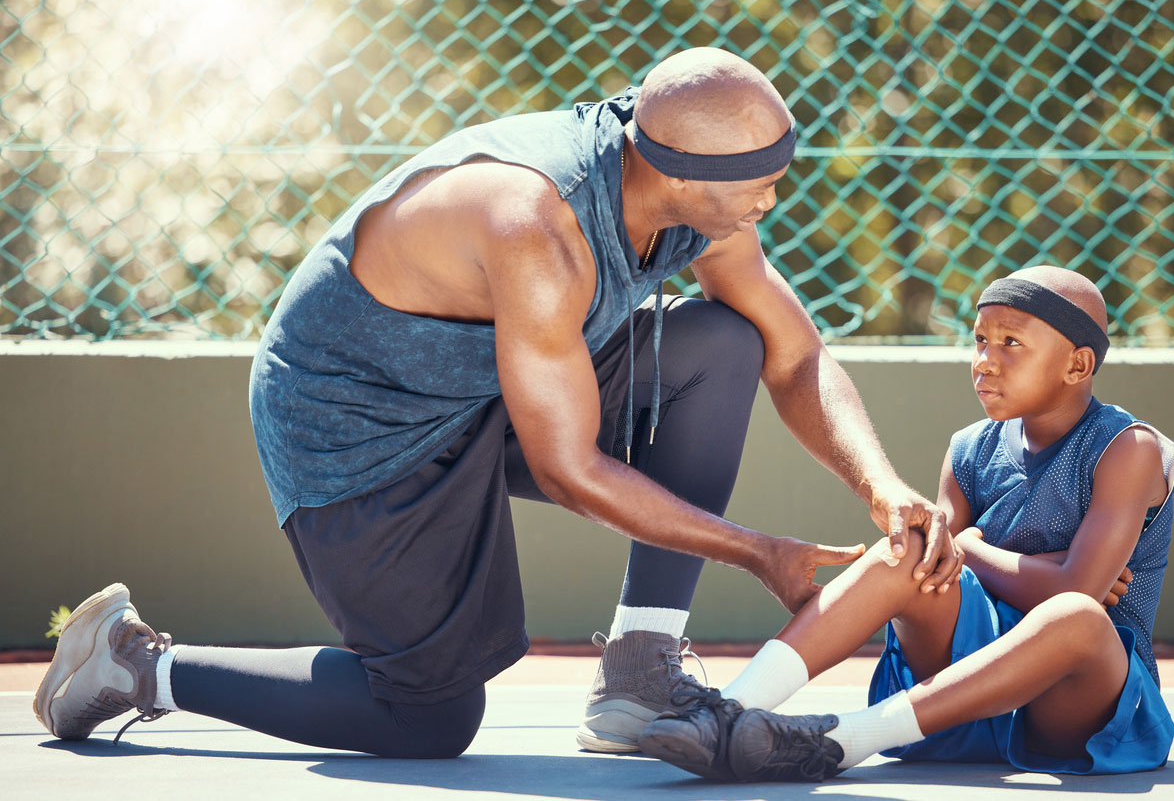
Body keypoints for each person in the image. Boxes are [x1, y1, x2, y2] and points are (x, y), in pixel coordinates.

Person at [33, 47, 956, 758]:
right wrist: (765, 555)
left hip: (488, 382)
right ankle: (137, 663)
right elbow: (571, 467)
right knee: (427, 713)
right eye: (758, 178)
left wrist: (881, 486)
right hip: (360, 420)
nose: (773, 196)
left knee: (724, 343)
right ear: (677, 171)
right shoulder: (539, 225)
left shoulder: (696, 205)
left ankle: (640, 674)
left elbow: (796, 356)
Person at [639, 265, 1174, 781]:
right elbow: (938, 565)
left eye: (1010, 343)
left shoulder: (1126, 448)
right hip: (957, 694)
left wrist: (971, 546)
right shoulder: (969, 448)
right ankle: (725, 711)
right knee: (913, 548)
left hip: (1074, 709)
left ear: (1077, 366)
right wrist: (1000, 558)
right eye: (980, 341)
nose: (985, 361)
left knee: (1076, 616)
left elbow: (1073, 588)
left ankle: (838, 740)